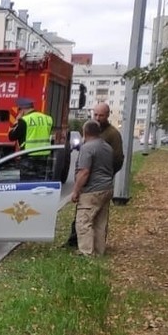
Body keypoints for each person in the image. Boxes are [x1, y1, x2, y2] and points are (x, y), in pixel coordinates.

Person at [66, 103, 123, 246]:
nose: (97, 118)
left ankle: (87, 251)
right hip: (91, 183)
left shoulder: (112, 134)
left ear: (108, 115)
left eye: (101, 115)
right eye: (95, 114)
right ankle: (83, 244)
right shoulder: (90, 128)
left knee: (88, 219)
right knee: (89, 217)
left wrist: (103, 174)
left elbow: (117, 159)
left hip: (96, 183)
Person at [69, 118, 116, 256]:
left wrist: (76, 191)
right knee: (100, 222)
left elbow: (84, 172)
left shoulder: (87, 148)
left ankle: (87, 253)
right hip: (107, 188)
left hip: (92, 191)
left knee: (84, 221)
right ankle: (99, 250)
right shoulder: (107, 147)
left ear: (85, 132)